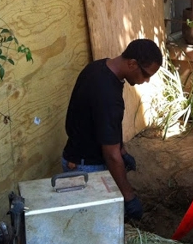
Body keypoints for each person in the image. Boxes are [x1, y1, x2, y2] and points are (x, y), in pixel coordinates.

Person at [62, 38, 163, 218]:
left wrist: (122, 151)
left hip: (78, 156)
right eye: (146, 75)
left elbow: (104, 124)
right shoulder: (107, 94)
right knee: (95, 224)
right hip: (85, 169)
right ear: (132, 64)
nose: (147, 81)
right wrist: (129, 197)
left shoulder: (98, 68)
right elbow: (110, 155)